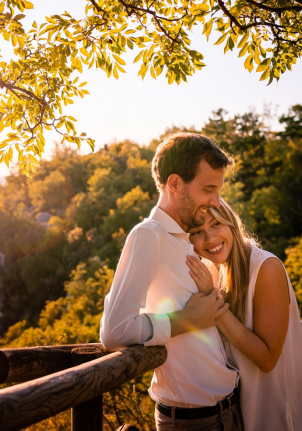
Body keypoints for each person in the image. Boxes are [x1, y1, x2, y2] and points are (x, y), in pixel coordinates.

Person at [100, 132, 243, 431]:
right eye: (208, 189)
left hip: (227, 411)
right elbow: (114, 332)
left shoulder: (188, 240)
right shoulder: (148, 236)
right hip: (193, 422)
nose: (216, 200)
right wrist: (186, 320)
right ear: (175, 183)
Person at [185, 199, 302, 431]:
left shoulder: (266, 267)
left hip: (277, 412)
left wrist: (213, 301)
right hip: (238, 413)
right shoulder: (213, 270)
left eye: (216, 224)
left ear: (231, 223)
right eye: (197, 232)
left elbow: (267, 360)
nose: (210, 238)